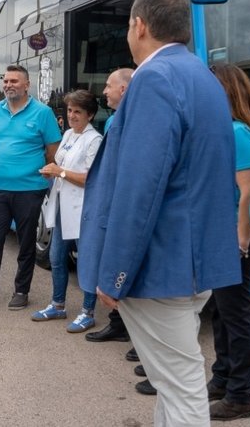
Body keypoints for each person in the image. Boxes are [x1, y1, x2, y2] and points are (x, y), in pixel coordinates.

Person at [78, 0, 240, 426]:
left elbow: (139, 188)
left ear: (139, 25)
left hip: (160, 267)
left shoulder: (153, 79)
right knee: (174, 383)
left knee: (182, 386)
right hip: (192, 260)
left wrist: (114, 274)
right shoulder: (201, 76)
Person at [0, 64, 61, 310]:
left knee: (26, 241)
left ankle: (21, 290)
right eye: (5, 81)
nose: (8, 85)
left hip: (29, 189)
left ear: (27, 85)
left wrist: (34, 173)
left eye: (14, 81)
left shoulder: (42, 113)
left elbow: (52, 152)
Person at [205, 64, 250, 421]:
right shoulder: (223, 129)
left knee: (237, 314)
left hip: (233, 237)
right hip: (220, 234)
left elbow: (249, 192)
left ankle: (241, 394)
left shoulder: (238, 133)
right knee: (221, 312)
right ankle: (223, 376)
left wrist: (242, 238)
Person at [31, 89, 102, 332]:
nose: (72, 115)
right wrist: (51, 169)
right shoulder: (69, 134)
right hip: (62, 206)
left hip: (82, 209)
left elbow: (90, 178)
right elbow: (61, 164)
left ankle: (87, 312)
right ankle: (58, 305)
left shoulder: (95, 140)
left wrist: (58, 172)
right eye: (70, 110)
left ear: (90, 115)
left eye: (78, 112)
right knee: (56, 258)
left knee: (86, 261)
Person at [84, 67, 134, 345]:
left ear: (124, 90)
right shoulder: (115, 119)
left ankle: (129, 327)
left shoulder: (131, 119)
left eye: (108, 86)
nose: (104, 91)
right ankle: (118, 324)